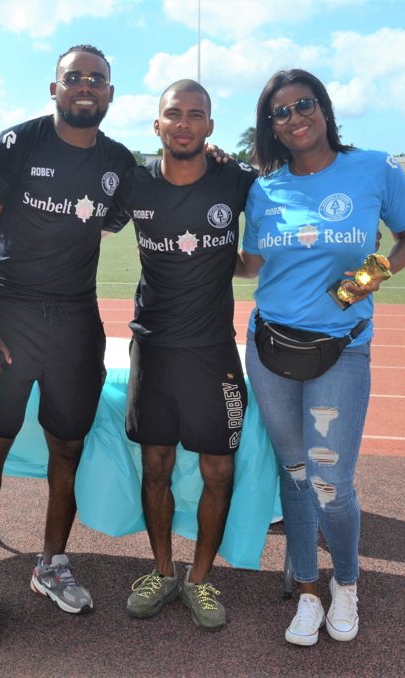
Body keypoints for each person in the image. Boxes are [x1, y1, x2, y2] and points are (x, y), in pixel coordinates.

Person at [0, 44, 137, 643]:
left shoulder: (118, 161)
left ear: (111, 94)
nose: (86, 86)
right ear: (54, 88)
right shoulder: (17, 144)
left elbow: (126, 211)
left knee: (68, 448)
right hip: (10, 317)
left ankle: (51, 565)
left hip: (77, 324)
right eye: (74, 77)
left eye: (97, 79)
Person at [236, 68, 405, 646]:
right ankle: (308, 590)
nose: (294, 118)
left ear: (324, 109)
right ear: (271, 126)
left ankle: (347, 583)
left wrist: (369, 278)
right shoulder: (263, 189)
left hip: (342, 350)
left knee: (331, 483)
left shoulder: (374, 168)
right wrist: (200, 249)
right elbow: (251, 265)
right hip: (269, 346)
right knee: (294, 477)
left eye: (304, 105)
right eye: (281, 113)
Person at [111, 80, 257, 632]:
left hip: (213, 351)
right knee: (156, 466)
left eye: (196, 115)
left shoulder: (236, 179)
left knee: (219, 469)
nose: (185, 123)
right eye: (174, 114)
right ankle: (162, 570)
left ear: (210, 128)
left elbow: (288, 210)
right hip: (153, 347)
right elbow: (85, 222)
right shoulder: (134, 183)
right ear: (158, 125)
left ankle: (200, 578)